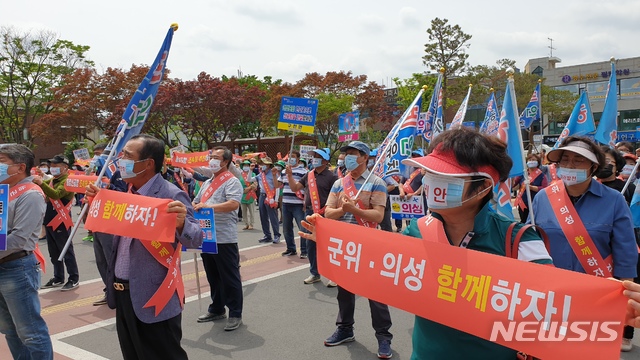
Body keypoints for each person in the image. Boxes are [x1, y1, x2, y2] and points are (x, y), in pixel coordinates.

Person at [85, 134, 203, 359]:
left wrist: (181, 224)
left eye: (127, 156)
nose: (121, 161)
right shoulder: (125, 195)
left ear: (148, 164)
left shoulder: (170, 194)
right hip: (123, 294)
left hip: (154, 294)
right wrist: (98, 202)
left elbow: (197, 239)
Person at [531, 136, 638, 351]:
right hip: (552, 295)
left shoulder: (614, 200)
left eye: (578, 160)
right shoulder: (543, 197)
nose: (570, 165)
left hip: (597, 296)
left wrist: (626, 297)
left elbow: (625, 251)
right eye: (565, 159)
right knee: (551, 350)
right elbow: (531, 242)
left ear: (594, 166)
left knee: (590, 350)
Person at [322, 140, 393, 359]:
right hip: (344, 246)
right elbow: (328, 213)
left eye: (352, 154)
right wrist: (344, 209)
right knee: (344, 291)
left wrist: (354, 209)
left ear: (364, 157)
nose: (347, 158)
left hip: (369, 245)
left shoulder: (376, 183)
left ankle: (383, 337)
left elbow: (378, 216)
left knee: (375, 294)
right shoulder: (339, 183)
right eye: (346, 155)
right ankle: (345, 329)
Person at [0, 144, 53, 359]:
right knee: (10, 330)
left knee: (30, 332)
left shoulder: (30, 194)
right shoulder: (4, 191)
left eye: (2, 161)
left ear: (20, 167)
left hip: (16, 268)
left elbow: (19, 239)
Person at [193, 146, 244, 331]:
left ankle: (235, 313)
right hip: (207, 236)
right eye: (211, 157)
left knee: (229, 277)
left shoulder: (232, 182)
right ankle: (217, 308)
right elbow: (197, 200)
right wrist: (194, 205)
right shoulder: (207, 183)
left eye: (215, 157)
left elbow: (233, 204)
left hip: (224, 238)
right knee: (213, 276)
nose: (211, 160)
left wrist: (208, 207)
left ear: (225, 162)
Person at [286, 148, 339, 284]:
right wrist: (289, 176)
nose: (314, 159)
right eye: (313, 156)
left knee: (328, 245)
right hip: (310, 213)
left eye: (317, 156)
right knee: (310, 244)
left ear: (325, 160)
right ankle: (314, 273)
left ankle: (334, 275)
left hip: (325, 214)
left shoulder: (332, 177)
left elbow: (337, 197)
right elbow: (295, 188)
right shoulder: (309, 175)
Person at [89, 142, 128, 306]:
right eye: (98, 154)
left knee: (110, 258)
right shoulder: (97, 173)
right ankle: (108, 289)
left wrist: (107, 188)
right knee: (101, 259)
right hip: (99, 221)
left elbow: (125, 195)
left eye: (103, 154)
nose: (99, 157)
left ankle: (115, 292)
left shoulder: (120, 173)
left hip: (113, 223)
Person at [34, 154, 80, 291]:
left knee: (66, 251)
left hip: (61, 221)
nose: (52, 168)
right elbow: (45, 192)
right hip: (49, 221)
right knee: (53, 252)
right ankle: (58, 277)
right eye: (51, 166)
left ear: (65, 167)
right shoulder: (53, 180)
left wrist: (41, 183)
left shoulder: (68, 181)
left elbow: (56, 194)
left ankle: (73, 278)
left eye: (55, 166)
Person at [276, 151, 308, 257]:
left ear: (298, 159)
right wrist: (273, 174)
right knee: (286, 228)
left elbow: (307, 188)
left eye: (293, 157)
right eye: (289, 157)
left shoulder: (304, 172)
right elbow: (278, 185)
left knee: (302, 228)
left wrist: (305, 203)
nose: (291, 159)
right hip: (286, 203)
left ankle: (304, 250)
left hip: (298, 203)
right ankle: (291, 248)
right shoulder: (284, 171)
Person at [253, 157, 281, 243]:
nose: (262, 165)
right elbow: (249, 179)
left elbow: (277, 187)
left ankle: (276, 235)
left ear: (268, 165)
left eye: (264, 164)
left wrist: (276, 200)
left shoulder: (273, 174)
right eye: (261, 163)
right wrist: (251, 170)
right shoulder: (260, 174)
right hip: (262, 196)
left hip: (271, 196)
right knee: (263, 216)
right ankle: (267, 235)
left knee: (273, 216)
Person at [513, 153, 548, 223]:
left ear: (538, 162)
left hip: (535, 203)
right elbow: (514, 184)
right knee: (523, 221)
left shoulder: (542, 175)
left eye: (534, 160)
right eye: (530, 160)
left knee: (534, 222)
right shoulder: (523, 174)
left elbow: (545, 188)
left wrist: (531, 188)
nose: (531, 161)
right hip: (523, 203)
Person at [239, 160, 257, 230]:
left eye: (247, 165)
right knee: (243, 211)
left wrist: (249, 188)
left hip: (250, 194)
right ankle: (246, 224)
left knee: (251, 210)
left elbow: (255, 184)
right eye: (244, 165)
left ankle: (251, 224)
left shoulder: (253, 174)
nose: (245, 167)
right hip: (242, 194)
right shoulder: (240, 175)